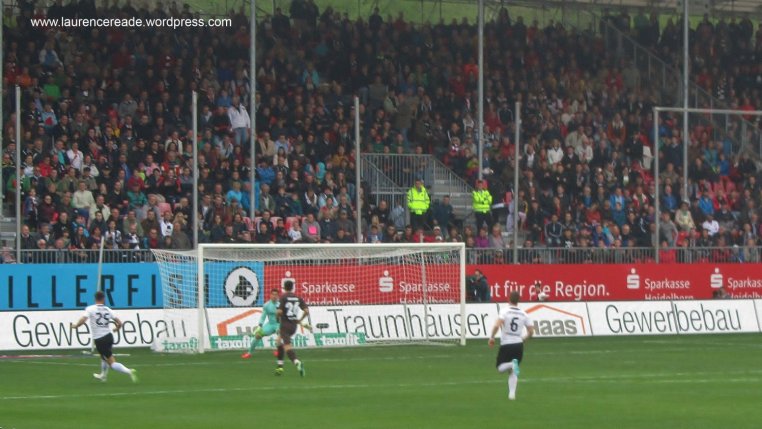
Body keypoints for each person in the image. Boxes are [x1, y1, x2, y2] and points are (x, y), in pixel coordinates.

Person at [70, 291, 138, 383]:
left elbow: (83, 319)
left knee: (112, 363)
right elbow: (120, 323)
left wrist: (76, 326)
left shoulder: (90, 309)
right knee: (103, 357)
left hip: (100, 339)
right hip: (109, 337)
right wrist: (116, 329)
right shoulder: (108, 309)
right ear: (103, 299)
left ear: (95, 298)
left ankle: (129, 371)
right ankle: (103, 376)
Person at [488, 291, 534, 400]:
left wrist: (492, 337)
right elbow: (531, 331)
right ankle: (512, 395)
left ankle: (512, 365)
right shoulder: (524, 314)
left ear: (508, 298)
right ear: (519, 300)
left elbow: (497, 325)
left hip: (506, 344)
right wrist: (524, 339)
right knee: (513, 371)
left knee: (500, 368)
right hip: (518, 344)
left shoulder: (505, 311)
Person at [275, 280, 309, 377]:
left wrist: (277, 318)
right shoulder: (298, 297)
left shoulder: (283, 297)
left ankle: (297, 362)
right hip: (293, 326)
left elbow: (279, 312)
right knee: (278, 342)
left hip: (285, 325)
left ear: (284, 287)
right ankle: (280, 366)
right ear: (292, 287)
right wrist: (300, 320)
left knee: (287, 347)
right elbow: (306, 311)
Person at [242, 289, 280, 359]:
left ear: (278, 296)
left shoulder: (281, 304)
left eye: (276, 295)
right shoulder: (266, 305)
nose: (274, 296)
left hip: (279, 324)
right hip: (270, 324)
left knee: (280, 334)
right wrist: (260, 326)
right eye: (273, 294)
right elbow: (263, 317)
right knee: (257, 335)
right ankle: (249, 353)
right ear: (270, 295)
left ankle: (279, 351)